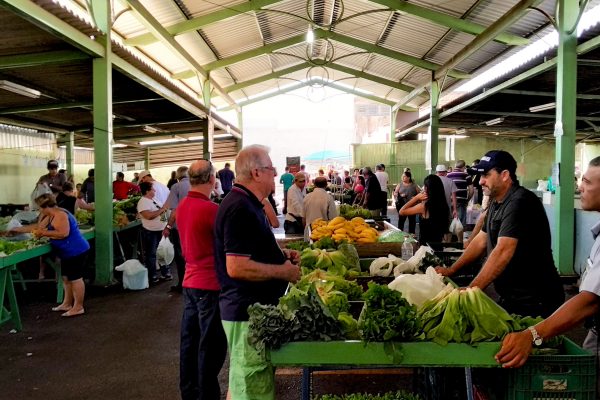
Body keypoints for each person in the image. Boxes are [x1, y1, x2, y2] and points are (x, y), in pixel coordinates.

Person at [214, 144, 301, 400]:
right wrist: (282, 272)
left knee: (244, 379)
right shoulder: (240, 208)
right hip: (245, 312)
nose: (275, 175)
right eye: (271, 169)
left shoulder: (249, 203)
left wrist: (280, 255)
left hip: (250, 311)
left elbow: (248, 251)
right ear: (256, 173)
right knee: (251, 382)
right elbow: (236, 266)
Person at [495, 156, 600, 369]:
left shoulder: (520, 202)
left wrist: (532, 334)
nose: (580, 187)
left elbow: (590, 300)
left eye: (588, 182)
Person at [435, 150, 564, 317]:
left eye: (486, 175)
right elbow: (480, 241)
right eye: (480, 176)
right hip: (513, 297)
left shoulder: (520, 202)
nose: (480, 181)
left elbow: (503, 251)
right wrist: (452, 270)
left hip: (536, 300)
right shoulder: (497, 202)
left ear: (504, 175)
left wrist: (471, 289)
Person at [175, 159, 227, 399]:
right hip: (210, 285)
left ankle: (189, 392)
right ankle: (207, 395)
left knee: (190, 343)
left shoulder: (183, 205)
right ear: (211, 179)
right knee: (211, 346)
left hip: (190, 284)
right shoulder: (211, 210)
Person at [10, 193, 90, 317]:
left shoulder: (60, 215)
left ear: (45, 206)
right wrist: (17, 229)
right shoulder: (50, 215)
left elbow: (63, 233)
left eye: (39, 207)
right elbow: (38, 227)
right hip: (67, 252)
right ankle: (67, 303)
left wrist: (44, 233)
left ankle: (78, 307)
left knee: (75, 278)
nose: (38, 210)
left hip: (76, 250)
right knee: (66, 278)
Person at [163, 166, 191, 293]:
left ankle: (183, 283)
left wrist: (168, 226)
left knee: (181, 256)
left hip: (180, 227)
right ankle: (194, 283)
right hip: (195, 226)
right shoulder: (197, 185)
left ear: (178, 175)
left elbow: (174, 209)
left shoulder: (176, 187)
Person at [399, 174, 449, 245]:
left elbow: (401, 211)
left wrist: (416, 198)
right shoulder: (443, 204)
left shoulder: (424, 206)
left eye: (425, 186)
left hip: (425, 247)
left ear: (427, 189)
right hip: (438, 245)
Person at [137, 181, 171, 284]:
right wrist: (162, 210)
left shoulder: (154, 200)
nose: (155, 190)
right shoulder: (143, 202)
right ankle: (153, 276)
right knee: (151, 254)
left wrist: (166, 221)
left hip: (160, 230)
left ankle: (166, 273)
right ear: (147, 191)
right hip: (151, 232)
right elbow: (149, 216)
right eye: (152, 189)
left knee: (163, 252)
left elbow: (162, 212)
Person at [447, 160, 473, 241]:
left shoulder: (448, 175)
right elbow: (471, 190)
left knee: (450, 222)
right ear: (464, 167)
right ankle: (459, 244)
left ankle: (449, 243)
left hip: (450, 202)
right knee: (460, 224)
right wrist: (467, 199)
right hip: (461, 202)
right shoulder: (466, 175)